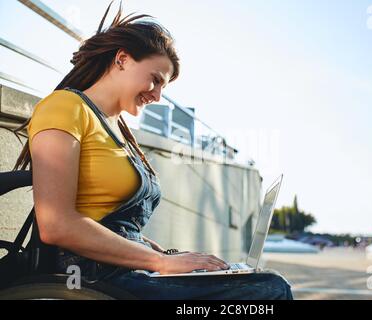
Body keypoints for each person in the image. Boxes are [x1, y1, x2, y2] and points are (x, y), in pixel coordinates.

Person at [11, 1, 293, 300]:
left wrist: (171, 256)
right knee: (268, 291)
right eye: (156, 79)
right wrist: (160, 262)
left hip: (125, 270)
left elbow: (115, 223)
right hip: (88, 277)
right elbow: (57, 226)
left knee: (260, 281)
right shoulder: (65, 107)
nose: (157, 95)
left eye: (164, 87)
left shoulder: (119, 130)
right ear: (122, 59)